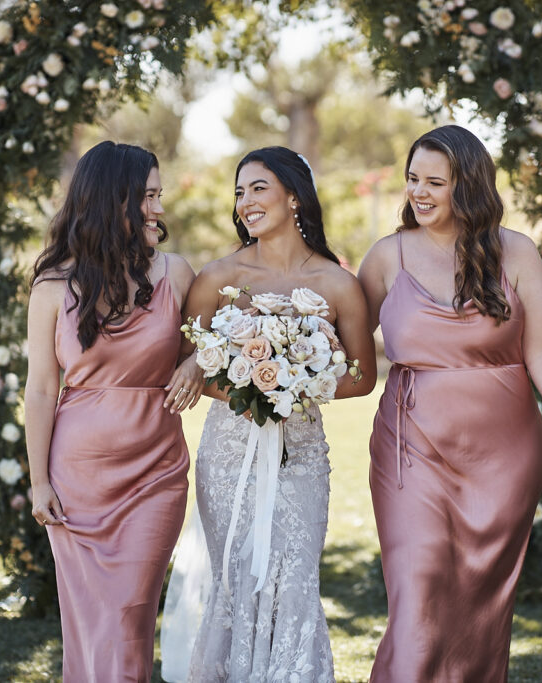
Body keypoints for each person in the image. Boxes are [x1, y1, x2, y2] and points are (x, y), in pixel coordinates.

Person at [357, 125, 542, 682]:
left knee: (479, 610)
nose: (418, 192)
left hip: (503, 456)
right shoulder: (386, 257)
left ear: (468, 187)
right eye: (413, 179)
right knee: (417, 594)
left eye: (434, 182)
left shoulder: (516, 252)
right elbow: (339, 341)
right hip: (410, 449)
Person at [167, 146, 377, 682]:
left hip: (300, 455)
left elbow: (362, 376)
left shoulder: (336, 283)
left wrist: (300, 381)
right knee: (236, 581)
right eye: (239, 192)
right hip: (229, 455)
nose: (245, 202)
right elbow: (188, 365)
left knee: (294, 579)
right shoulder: (217, 278)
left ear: (293, 194)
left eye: (258, 188)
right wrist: (247, 383)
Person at [24, 141, 202, 682]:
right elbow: (39, 390)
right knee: (89, 619)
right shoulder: (53, 287)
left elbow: (209, 348)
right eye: (148, 196)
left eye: (159, 196)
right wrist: (37, 482)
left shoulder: (177, 274)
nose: (159, 209)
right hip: (77, 480)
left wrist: (197, 364)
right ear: (115, 200)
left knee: (130, 613)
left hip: (156, 472)